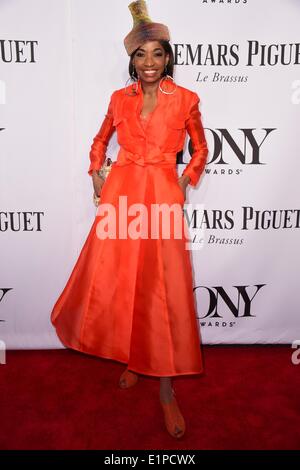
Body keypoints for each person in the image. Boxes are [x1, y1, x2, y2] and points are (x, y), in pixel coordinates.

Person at [51, 0, 208, 439]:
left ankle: (165, 389)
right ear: (132, 61)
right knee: (120, 282)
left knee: (163, 290)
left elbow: (200, 149)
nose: (149, 63)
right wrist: (96, 174)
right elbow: (100, 141)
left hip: (160, 197)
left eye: (157, 53)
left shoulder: (188, 100)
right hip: (121, 195)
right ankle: (135, 359)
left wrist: (184, 181)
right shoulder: (120, 98)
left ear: (168, 56)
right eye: (141, 55)